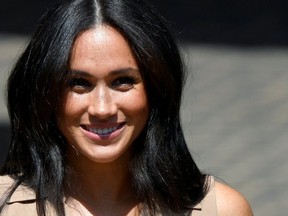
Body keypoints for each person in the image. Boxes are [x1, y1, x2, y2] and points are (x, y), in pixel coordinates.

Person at [0, 0, 253, 215]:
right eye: (78, 83)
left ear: (157, 88)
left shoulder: (222, 209)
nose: (102, 108)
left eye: (122, 81)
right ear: (45, 93)